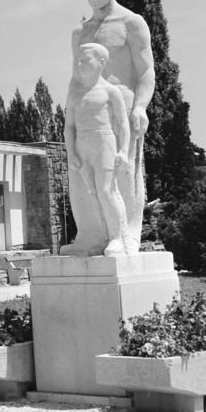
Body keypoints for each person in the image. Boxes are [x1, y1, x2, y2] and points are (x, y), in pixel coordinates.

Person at [61, 0, 154, 254]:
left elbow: (146, 70)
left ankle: (125, 237)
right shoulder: (81, 31)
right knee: (81, 175)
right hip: (86, 105)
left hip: (121, 103)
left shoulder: (132, 22)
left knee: (120, 173)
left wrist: (140, 107)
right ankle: (89, 236)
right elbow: (76, 76)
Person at [65, 43, 132, 256]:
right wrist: (71, 152)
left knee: (106, 191)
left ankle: (117, 238)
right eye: (79, 61)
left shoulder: (110, 91)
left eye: (86, 60)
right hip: (82, 145)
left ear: (101, 63)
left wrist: (123, 151)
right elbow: (69, 127)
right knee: (90, 194)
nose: (80, 64)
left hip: (104, 143)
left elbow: (123, 124)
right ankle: (98, 237)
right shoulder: (74, 93)